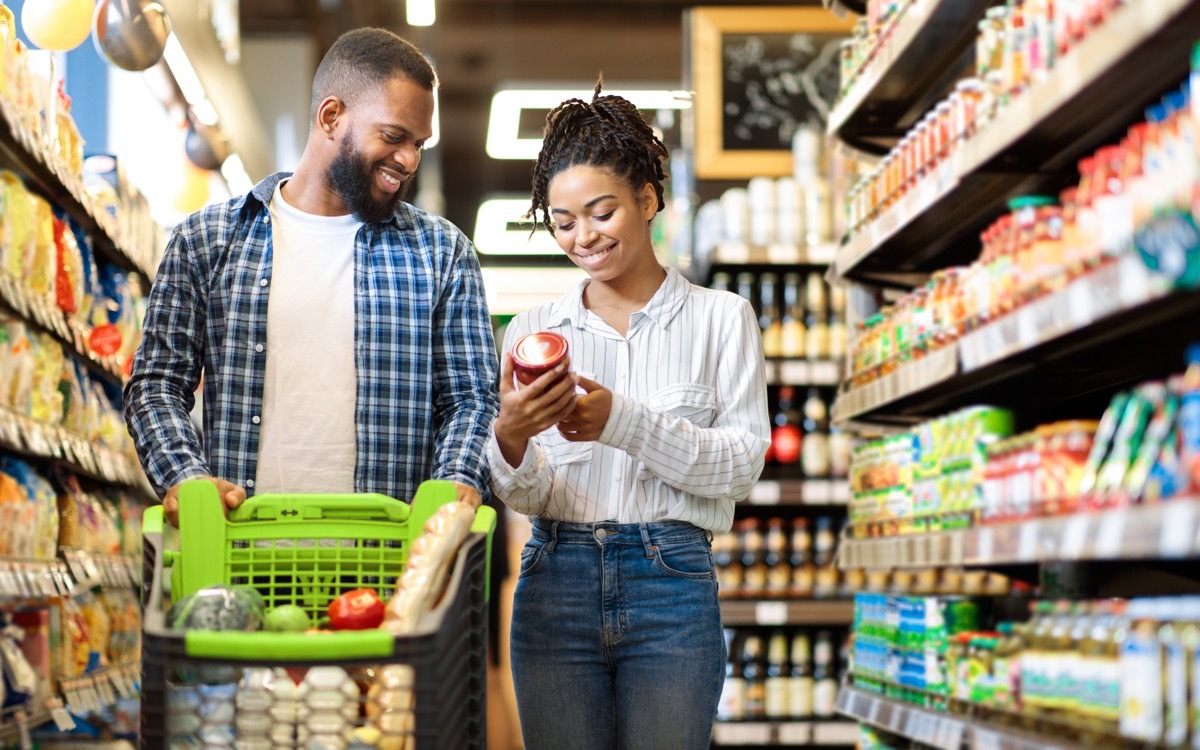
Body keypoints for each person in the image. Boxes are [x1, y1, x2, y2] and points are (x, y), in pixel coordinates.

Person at [488, 80, 770, 750]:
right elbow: (526, 494)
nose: (583, 236)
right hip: (554, 580)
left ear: (647, 199)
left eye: (602, 211)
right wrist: (513, 436)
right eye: (563, 221)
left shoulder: (721, 319)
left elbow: (740, 465)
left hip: (671, 584)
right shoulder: (532, 331)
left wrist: (625, 422)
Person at [124, 28, 498, 525]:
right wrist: (185, 477)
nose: (408, 160)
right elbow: (155, 385)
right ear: (331, 117)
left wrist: (457, 478)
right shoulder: (207, 240)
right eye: (392, 136)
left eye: (418, 144)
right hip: (239, 557)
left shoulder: (442, 252)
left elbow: (472, 400)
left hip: (392, 567)